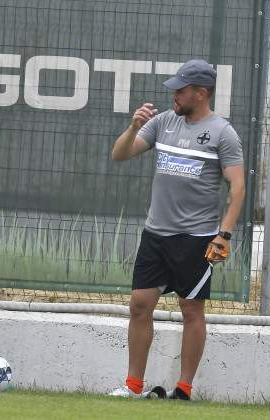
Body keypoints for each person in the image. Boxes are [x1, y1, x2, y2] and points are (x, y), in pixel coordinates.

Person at [108, 59, 245, 400]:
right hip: (156, 234)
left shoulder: (223, 133)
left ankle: (183, 389)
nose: (174, 96)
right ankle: (133, 386)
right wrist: (132, 127)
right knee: (140, 305)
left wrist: (223, 235)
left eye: (181, 91)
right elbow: (119, 155)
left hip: (196, 238)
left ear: (201, 93)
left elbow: (238, 187)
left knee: (190, 309)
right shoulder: (163, 122)